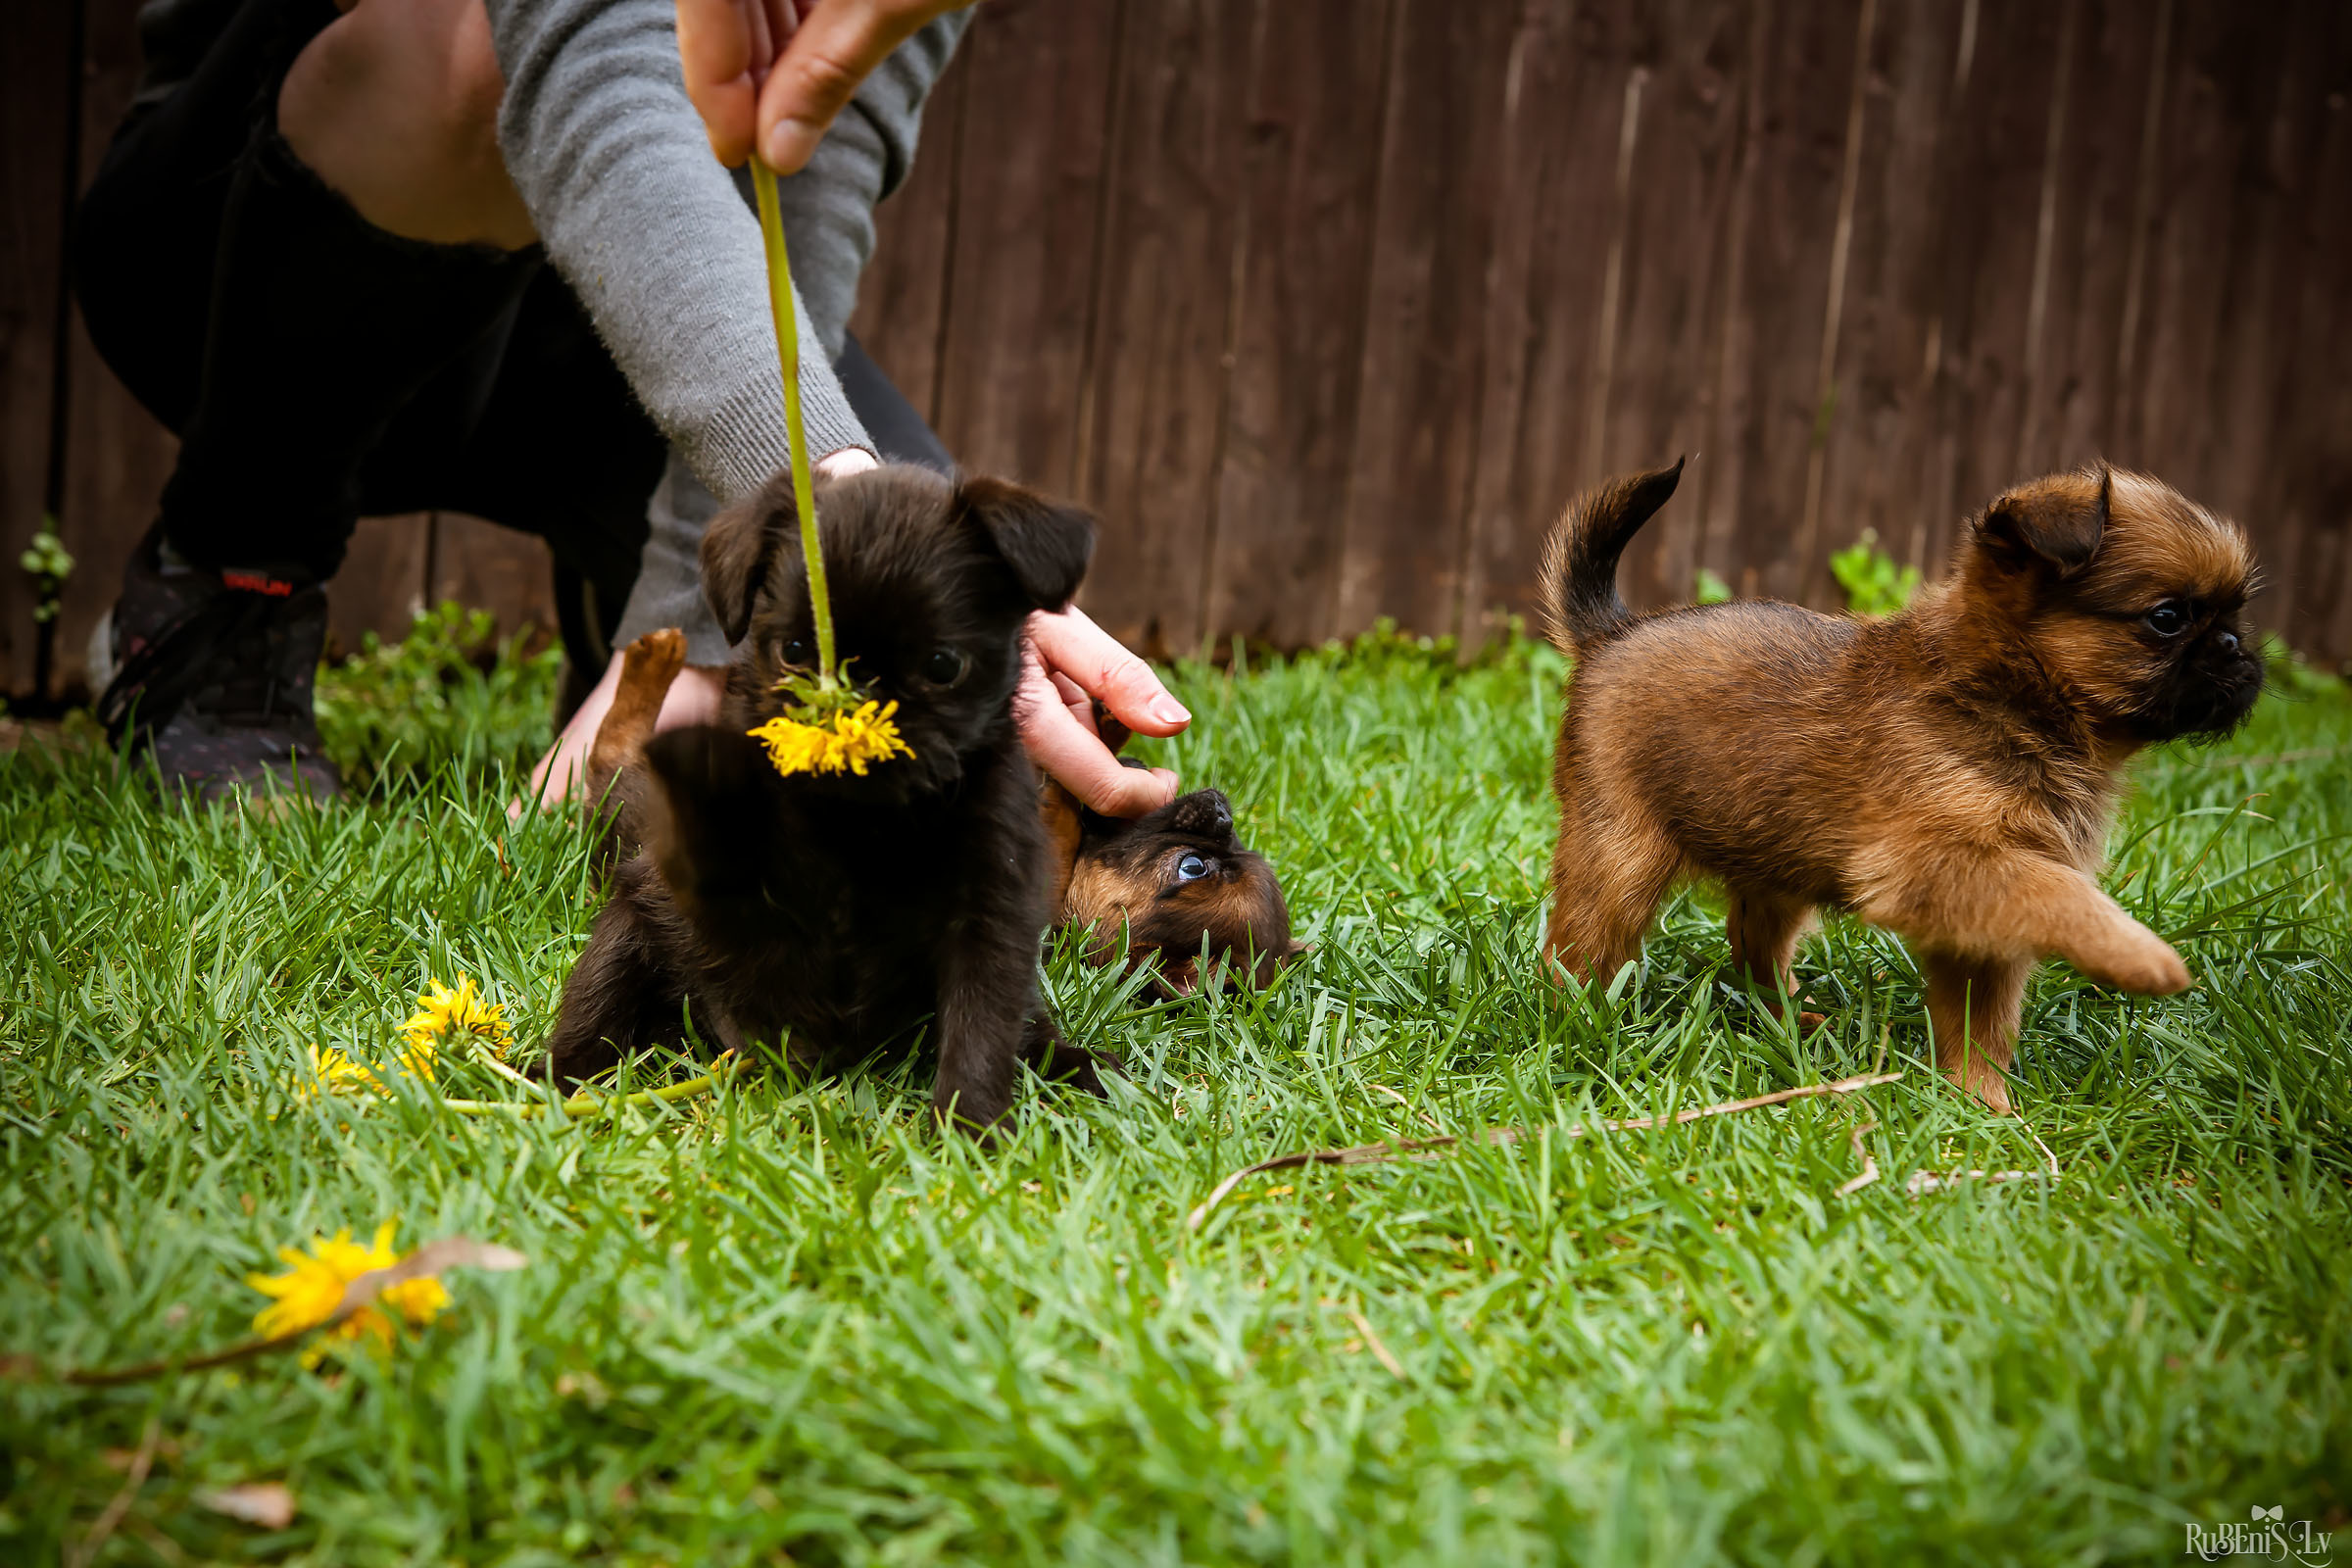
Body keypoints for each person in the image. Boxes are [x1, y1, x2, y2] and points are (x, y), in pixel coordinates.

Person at [74, 0, 1185, 818]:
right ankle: (222, 588)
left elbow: (808, 134)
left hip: (605, 329)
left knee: (975, 666)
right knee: (464, 52)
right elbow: (583, 58)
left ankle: (629, 627)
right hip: (260, 257)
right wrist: (828, 519)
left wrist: (688, 635)